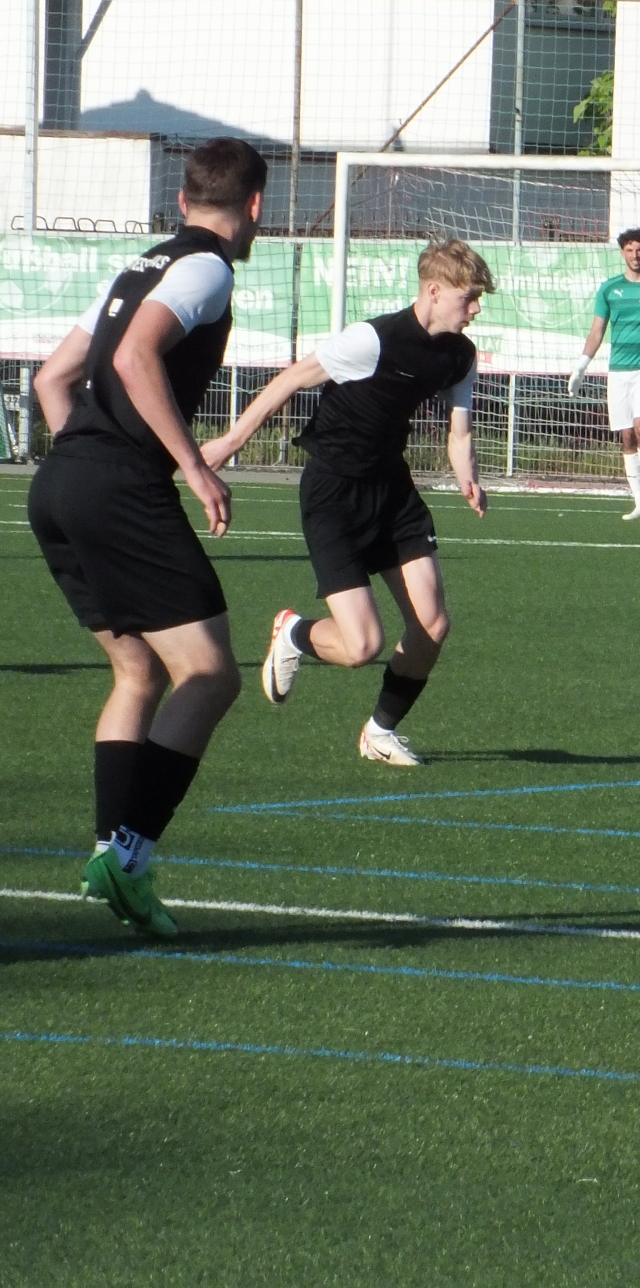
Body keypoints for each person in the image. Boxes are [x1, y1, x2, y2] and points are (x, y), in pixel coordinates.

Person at [25, 137, 268, 936]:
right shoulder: (206, 268)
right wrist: (192, 466)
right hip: (116, 485)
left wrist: (86, 460)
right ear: (255, 206)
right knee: (211, 675)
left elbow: (51, 379)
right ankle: (129, 859)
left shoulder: (137, 267)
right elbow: (135, 357)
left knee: (137, 671)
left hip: (59, 481)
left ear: (184, 200)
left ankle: (110, 854)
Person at [201, 239, 494, 767]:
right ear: (434, 290)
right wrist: (230, 441)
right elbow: (291, 379)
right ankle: (294, 632)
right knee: (361, 647)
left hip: (393, 491)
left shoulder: (460, 355)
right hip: (334, 492)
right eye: (468, 297)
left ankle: (380, 732)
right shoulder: (372, 339)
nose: (475, 308)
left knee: (432, 626)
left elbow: (460, 431)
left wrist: (466, 476)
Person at [568, 227, 640, 521]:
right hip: (618, 371)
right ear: (622, 253)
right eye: (630, 250)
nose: (635, 255)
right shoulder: (609, 289)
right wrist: (581, 365)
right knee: (627, 435)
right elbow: (597, 330)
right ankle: (637, 498)